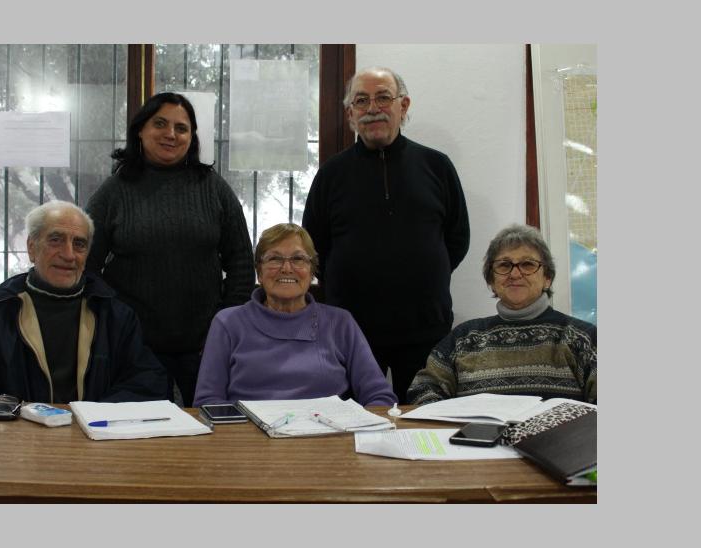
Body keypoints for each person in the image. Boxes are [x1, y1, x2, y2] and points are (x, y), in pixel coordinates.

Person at [302, 66, 470, 404]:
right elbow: (313, 246)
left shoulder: (437, 166)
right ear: (350, 113)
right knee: (354, 423)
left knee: (423, 421)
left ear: (403, 106)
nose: (372, 108)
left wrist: (422, 272)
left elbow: (456, 238)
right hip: (352, 329)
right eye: (361, 101)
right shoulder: (331, 174)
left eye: (383, 97)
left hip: (425, 326)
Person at [85, 92, 254, 407]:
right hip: (134, 348)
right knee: (142, 444)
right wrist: (116, 323)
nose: (171, 134)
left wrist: (225, 325)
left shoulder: (213, 187)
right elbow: (87, 266)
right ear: (140, 130)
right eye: (160, 124)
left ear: (192, 137)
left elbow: (242, 262)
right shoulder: (114, 191)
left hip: (206, 347)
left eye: (182, 128)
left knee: (210, 440)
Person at [193, 223, 397, 407]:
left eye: (298, 259)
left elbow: (380, 396)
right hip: (250, 442)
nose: (286, 268)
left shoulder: (341, 323)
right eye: (274, 259)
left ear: (311, 271)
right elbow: (208, 401)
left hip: (328, 439)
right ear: (259, 273)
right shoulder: (227, 323)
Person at [0, 201, 168, 403]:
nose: (69, 255)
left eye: (79, 244)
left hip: (94, 429)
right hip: (20, 430)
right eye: (56, 240)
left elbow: (147, 382)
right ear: (31, 247)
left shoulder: (115, 316)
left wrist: (94, 415)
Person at [407, 224, 597, 405]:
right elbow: (423, 388)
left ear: (547, 278)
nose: (515, 274)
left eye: (528, 264)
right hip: (475, 439)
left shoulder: (583, 338)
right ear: (491, 280)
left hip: (557, 439)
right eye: (504, 265)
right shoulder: (463, 337)